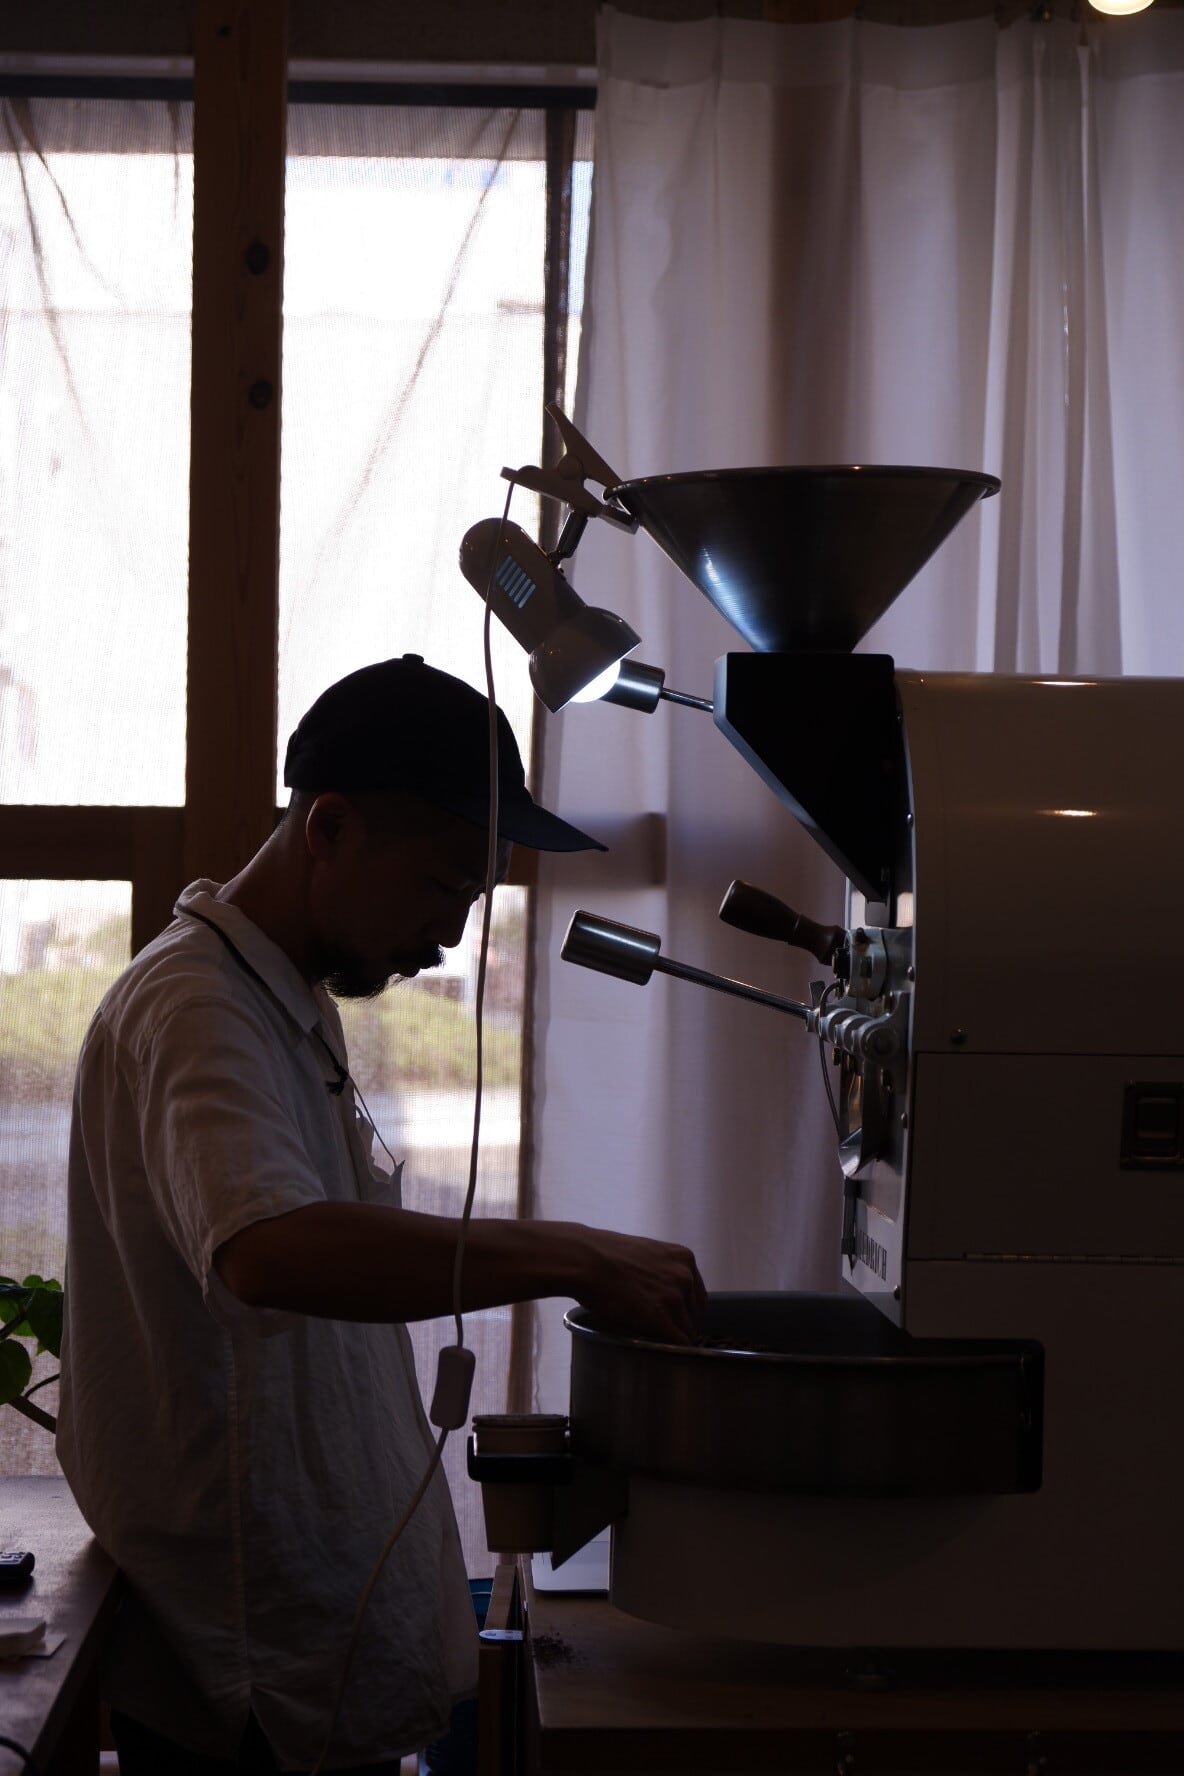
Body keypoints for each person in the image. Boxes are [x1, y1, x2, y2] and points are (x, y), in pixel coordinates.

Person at [57, 655, 705, 1776]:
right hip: (253, 1676)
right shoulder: (195, 1004)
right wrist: (573, 1255)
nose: (451, 934)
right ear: (331, 827)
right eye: (442, 885)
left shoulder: (278, 998)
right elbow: (267, 1250)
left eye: (472, 899)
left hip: (311, 1642)